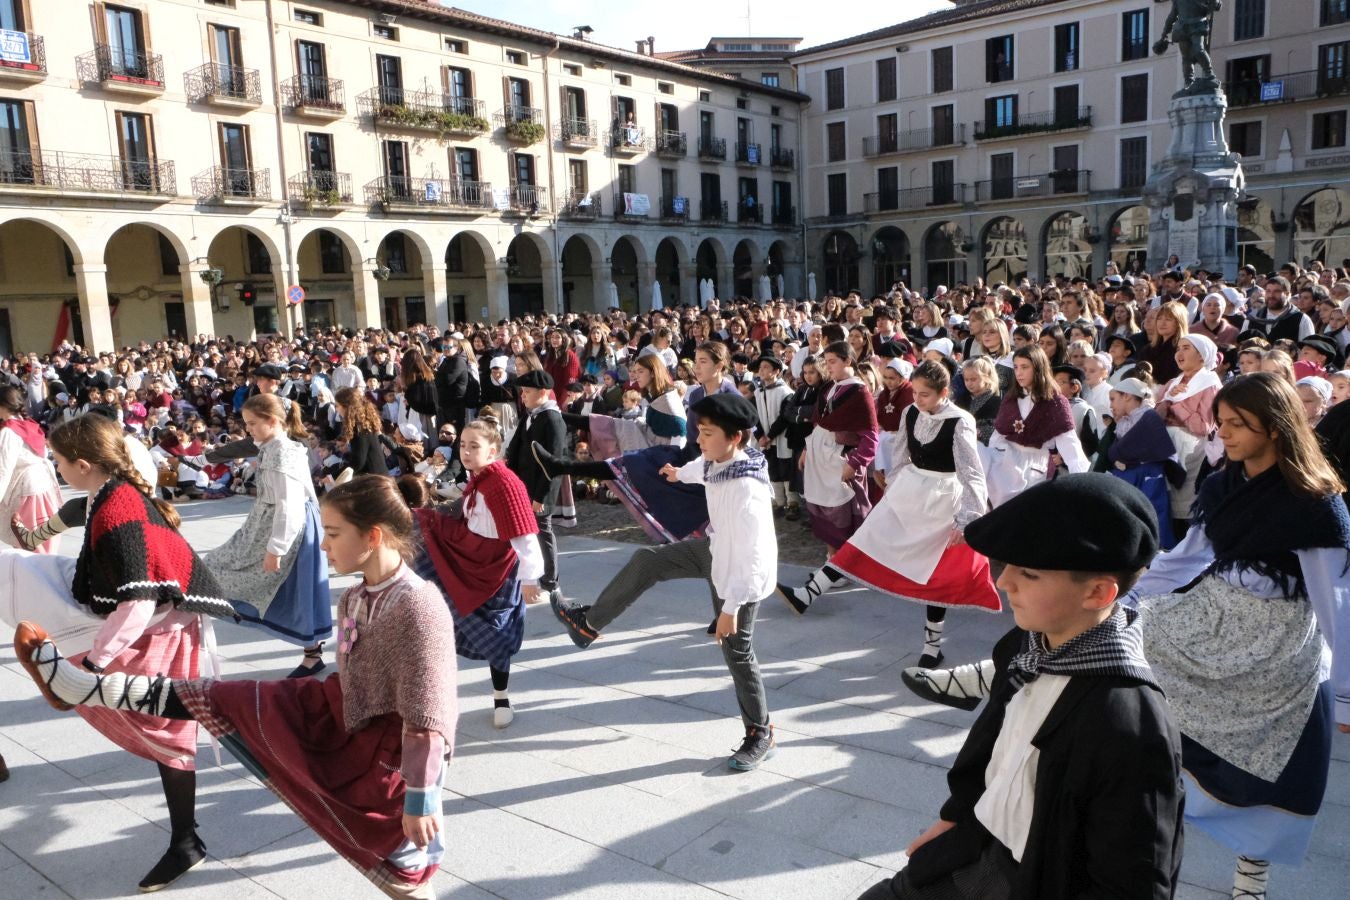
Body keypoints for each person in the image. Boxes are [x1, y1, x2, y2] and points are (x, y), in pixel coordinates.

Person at [16, 475, 458, 899]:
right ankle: (86, 688)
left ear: (374, 536)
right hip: (341, 713)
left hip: (390, 756)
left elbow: (427, 717)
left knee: (406, 878)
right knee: (227, 697)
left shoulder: (418, 607)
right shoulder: (355, 597)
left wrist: (421, 799)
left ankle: (86, 688)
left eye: (333, 533)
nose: (323, 545)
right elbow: (352, 671)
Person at [860, 474, 1183, 900]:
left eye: (1028, 573)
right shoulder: (1027, 644)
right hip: (977, 848)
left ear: (1098, 592)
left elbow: (1133, 881)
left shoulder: (1126, 723)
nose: (1003, 581)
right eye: (1006, 565)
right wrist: (956, 816)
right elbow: (990, 742)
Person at [7, 412, 233, 892]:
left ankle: (186, 842)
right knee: (25, 576)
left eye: (59, 461)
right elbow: (85, 526)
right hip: (148, 614)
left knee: (167, 733)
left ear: (84, 464)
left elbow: (139, 601)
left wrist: (94, 664)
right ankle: (185, 837)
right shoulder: (106, 493)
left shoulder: (118, 510)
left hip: (161, 625)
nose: (55, 468)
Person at [550, 393, 779, 771]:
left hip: (743, 575)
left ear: (736, 437)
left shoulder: (746, 488)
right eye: (699, 431)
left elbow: (751, 558)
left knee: (737, 650)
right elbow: (702, 468)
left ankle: (760, 731)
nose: (699, 440)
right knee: (648, 561)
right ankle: (587, 624)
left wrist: (731, 608)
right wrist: (678, 473)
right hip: (716, 550)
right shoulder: (721, 460)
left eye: (707, 433)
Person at [779, 361, 1000, 668]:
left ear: (944, 392)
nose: (917, 399)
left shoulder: (960, 420)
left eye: (925, 394)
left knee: (936, 571)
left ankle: (932, 646)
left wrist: (967, 518)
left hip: (942, 498)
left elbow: (972, 472)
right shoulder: (911, 412)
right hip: (910, 489)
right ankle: (808, 593)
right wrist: (895, 488)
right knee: (865, 538)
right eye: (916, 393)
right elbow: (900, 456)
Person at [404, 420, 543, 730]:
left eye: (474, 446)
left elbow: (525, 534)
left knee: (497, 631)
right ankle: (437, 691)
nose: (466, 452)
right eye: (463, 445)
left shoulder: (505, 483)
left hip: (497, 568)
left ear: (493, 451)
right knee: (421, 528)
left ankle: (501, 698)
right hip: (469, 555)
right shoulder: (481, 477)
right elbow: (470, 513)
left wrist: (531, 579)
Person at [203, 393, 333, 676]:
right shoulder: (274, 447)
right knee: (294, 589)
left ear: (272, 421)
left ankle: (312, 655)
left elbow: (290, 504)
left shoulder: (282, 453)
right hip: (270, 524)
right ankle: (312, 653)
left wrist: (277, 547)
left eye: (252, 423)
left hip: (287, 528)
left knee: (298, 590)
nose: (248, 429)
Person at [984, 346, 1088, 508]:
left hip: (1034, 468)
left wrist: (1080, 482)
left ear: (1038, 368)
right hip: (1005, 464)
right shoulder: (1011, 398)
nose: (1019, 373)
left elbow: (1069, 443)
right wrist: (993, 460)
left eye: (1025, 367)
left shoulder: (1056, 402)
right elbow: (998, 435)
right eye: (1016, 367)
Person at [801, 341, 879, 551]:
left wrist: (854, 463)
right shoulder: (829, 388)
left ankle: (847, 562)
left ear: (848, 361)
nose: (828, 367)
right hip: (821, 462)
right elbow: (819, 423)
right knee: (825, 514)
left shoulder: (859, 392)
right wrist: (807, 449)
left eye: (833, 361)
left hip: (841, 463)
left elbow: (870, 437)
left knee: (845, 517)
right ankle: (832, 559)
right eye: (826, 362)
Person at [1091, 375, 1183, 550]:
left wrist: (1116, 454)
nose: (1110, 405)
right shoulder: (1123, 421)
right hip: (1127, 475)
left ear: (1127, 396)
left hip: (1148, 477)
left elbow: (1120, 450)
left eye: (1113, 399)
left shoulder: (1149, 418)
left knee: (1151, 517)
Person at [504, 369, 565, 603]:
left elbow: (554, 463)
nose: (523, 396)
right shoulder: (530, 416)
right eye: (522, 392)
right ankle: (530, 577)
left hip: (540, 489)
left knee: (542, 532)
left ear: (543, 393)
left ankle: (550, 582)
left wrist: (542, 496)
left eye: (527, 392)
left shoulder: (552, 419)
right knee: (528, 533)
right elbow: (516, 447)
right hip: (523, 486)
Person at [1155, 333, 1221, 536]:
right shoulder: (1173, 383)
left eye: (1186, 348)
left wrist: (1177, 405)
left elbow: (1203, 426)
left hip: (1191, 452)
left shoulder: (1210, 384)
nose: (1179, 353)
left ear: (1202, 355)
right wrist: (1167, 401)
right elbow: (1156, 417)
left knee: (1184, 507)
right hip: (1165, 447)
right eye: (1178, 348)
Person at [0, 385, 62, 553]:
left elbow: (3, 469)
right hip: (43, 486)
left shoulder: (9, 431)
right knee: (46, 536)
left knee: (30, 540)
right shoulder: (29, 424)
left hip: (27, 490)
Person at [753, 355, 793, 515]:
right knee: (773, 469)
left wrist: (769, 435)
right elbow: (754, 416)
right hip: (766, 440)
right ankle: (779, 501)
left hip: (781, 438)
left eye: (765, 367)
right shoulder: (758, 392)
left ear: (776, 371)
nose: (761, 371)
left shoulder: (785, 392)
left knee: (786, 469)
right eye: (760, 368)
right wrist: (760, 436)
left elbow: (784, 417)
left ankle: (793, 502)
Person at [335, 386, 390, 477]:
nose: (336, 409)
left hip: (375, 479)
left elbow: (358, 462)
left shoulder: (359, 427)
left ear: (346, 406)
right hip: (377, 475)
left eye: (337, 406)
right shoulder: (362, 423)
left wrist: (334, 476)